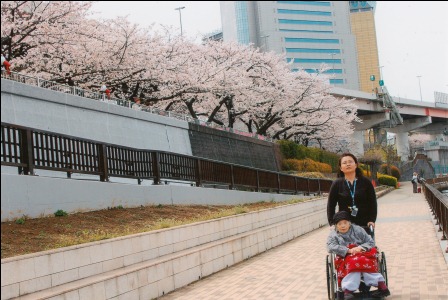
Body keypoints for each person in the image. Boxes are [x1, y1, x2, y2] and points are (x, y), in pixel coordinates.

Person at [327, 211, 391, 299]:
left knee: (363, 261)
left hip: (363, 253)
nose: (343, 226)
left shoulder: (357, 229)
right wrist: (348, 250)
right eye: (339, 224)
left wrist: (360, 248)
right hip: (346, 256)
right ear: (336, 226)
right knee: (354, 263)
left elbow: (371, 242)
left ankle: (349, 290)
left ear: (349, 223)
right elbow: (330, 247)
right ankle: (350, 290)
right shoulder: (333, 235)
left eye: (345, 223)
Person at [327, 153, 377, 235]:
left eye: (350, 162)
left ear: (356, 165)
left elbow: (373, 202)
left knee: (365, 247)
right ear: (341, 168)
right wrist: (332, 223)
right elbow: (331, 205)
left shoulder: (366, 182)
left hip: (364, 224)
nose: (348, 164)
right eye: (344, 163)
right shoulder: (337, 184)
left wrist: (372, 220)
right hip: (344, 225)